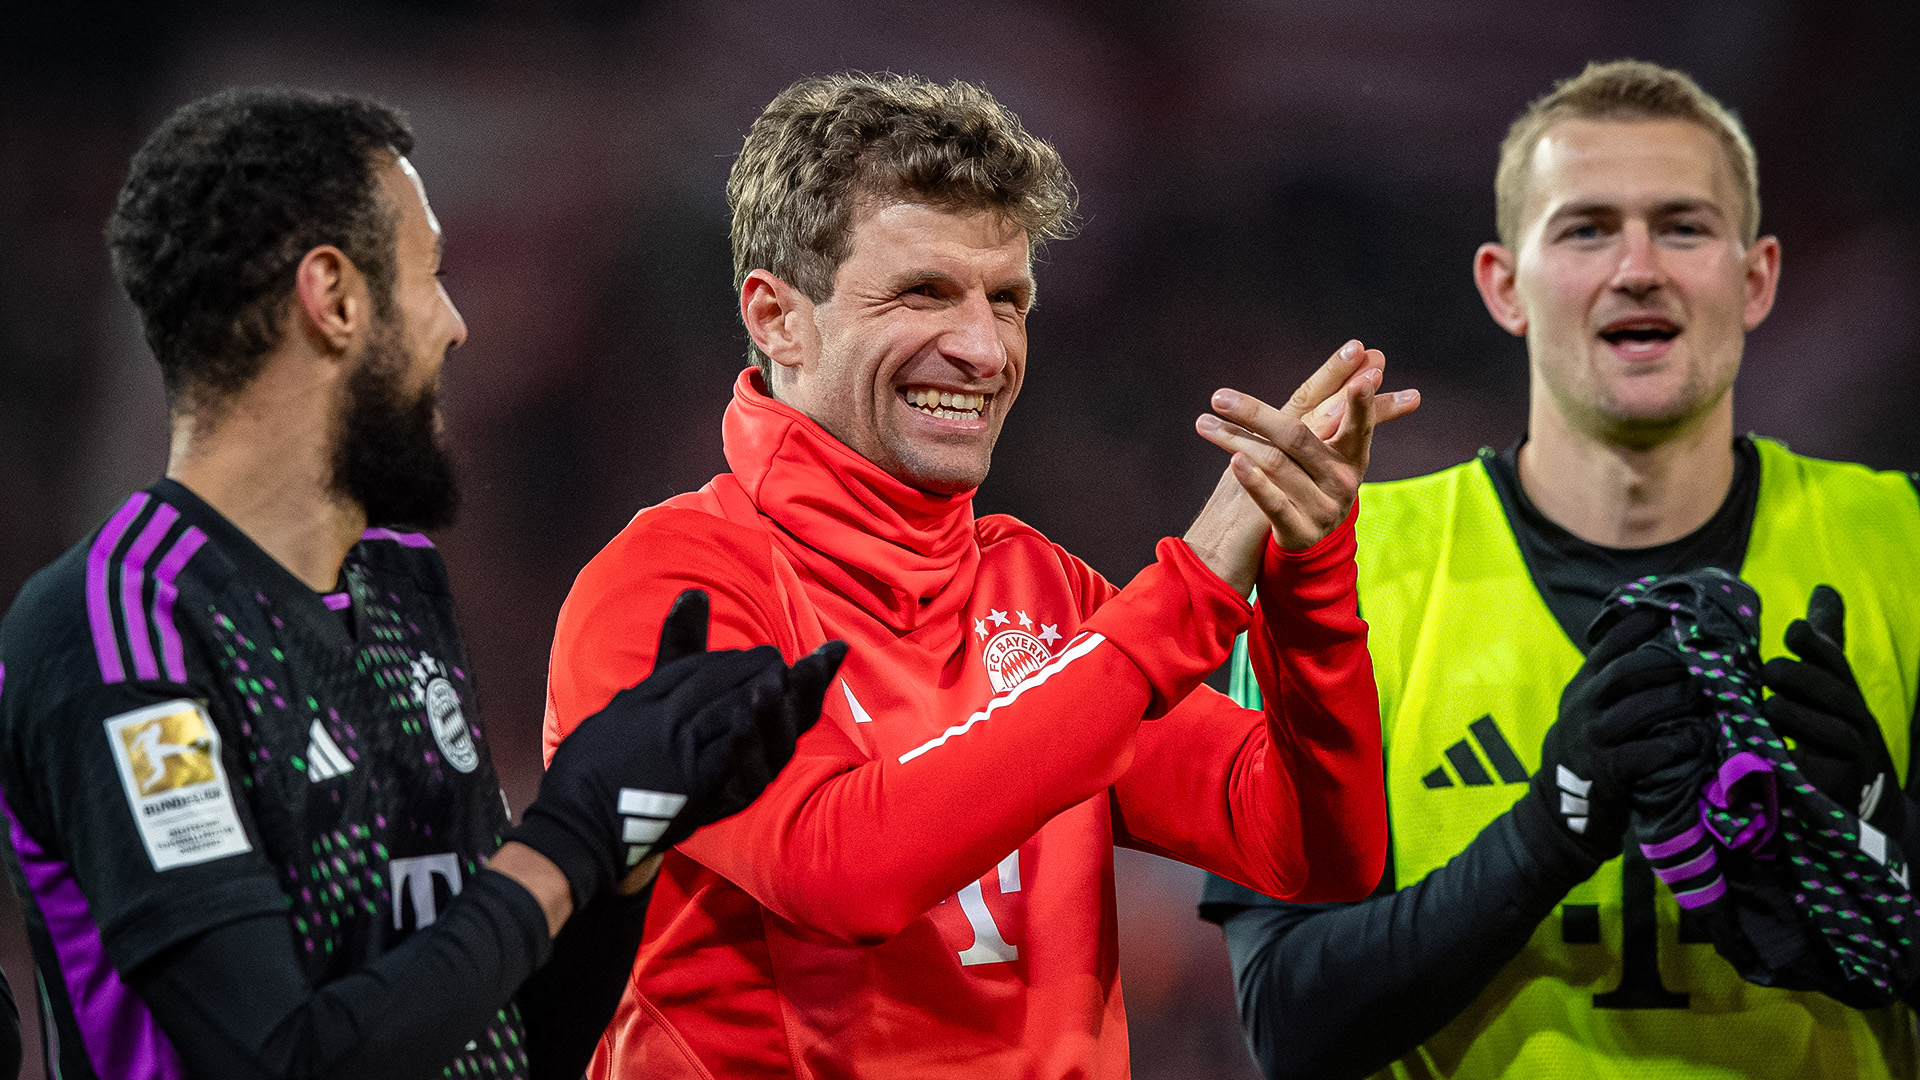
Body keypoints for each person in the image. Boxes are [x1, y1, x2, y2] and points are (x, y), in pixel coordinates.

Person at [542, 72, 1420, 1078]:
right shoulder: (671, 588)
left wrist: (1304, 570)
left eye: (1008, 299)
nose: (984, 347)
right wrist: (1191, 589)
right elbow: (840, 872)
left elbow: (1313, 848)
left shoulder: (1042, 593)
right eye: (925, 293)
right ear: (779, 318)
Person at [0, 87, 841, 1080]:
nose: (455, 326)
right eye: (430, 276)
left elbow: (493, 1037)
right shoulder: (124, 629)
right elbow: (281, 1061)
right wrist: (571, 831)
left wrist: (634, 840)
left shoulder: (399, 593)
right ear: (334, 299)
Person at [1200, 59, 1920, 1080]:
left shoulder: (1909, 549)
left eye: (1683, 226)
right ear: (1504, 285)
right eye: (1585, 228)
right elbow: (1288, 1024)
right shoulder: (1336, 577)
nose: (1638, 267)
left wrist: (1885, 843)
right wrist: (1554, 825)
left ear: (1757, 277)